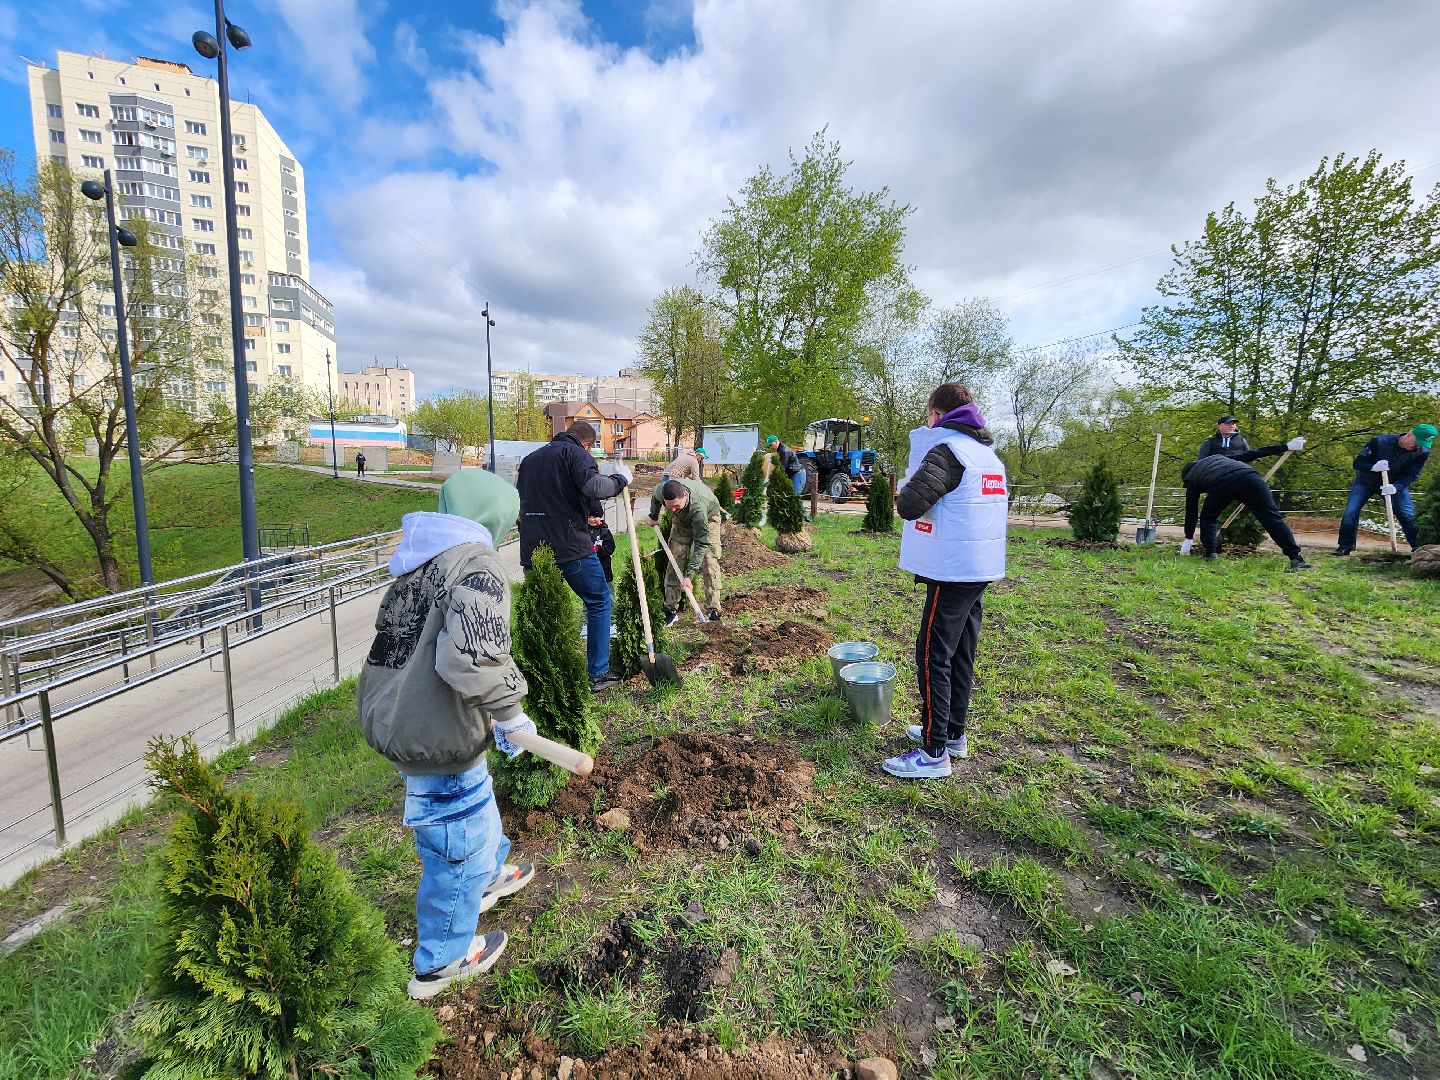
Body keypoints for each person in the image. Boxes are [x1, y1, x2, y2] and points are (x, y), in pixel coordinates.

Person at [358, 469, 537, 1000]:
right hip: (436, 731)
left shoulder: (423, 560)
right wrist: (510, 713)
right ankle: (442, 960)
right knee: (455, 839)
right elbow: (471, 657)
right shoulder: (478, 565)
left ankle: (487, 874)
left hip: (402, 715)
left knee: (475, 800)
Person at [881, 384, 1007, 781]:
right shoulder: (987, 454)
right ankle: (953, 733)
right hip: (980, 567)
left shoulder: (947, 451)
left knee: (932, 654)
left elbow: (909, 505)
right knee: (960, 652)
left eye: (928, 416)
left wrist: (906, 481)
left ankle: (933, 752)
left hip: (952, 570)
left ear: (937, 415)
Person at [516, 420, 631, 691]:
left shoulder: (530, 460)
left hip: (532, 549)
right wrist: (621, 479)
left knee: (543, 612)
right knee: (599, 600)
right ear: (587, 443)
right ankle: (598, 673)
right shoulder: (576, 454)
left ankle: (542, 677)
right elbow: (596, 487)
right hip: (570, 548)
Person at [1179, 436, 1311, 568]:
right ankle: (1296, 558)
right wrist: (1286, 446)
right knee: (1272, 518)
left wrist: (1188, 538)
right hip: (1251, 477)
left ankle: (1210, 554)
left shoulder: (1191, 477)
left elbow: (1191, 511)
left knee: (1208, 518)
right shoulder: (1219, 458)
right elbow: (1251, 454)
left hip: (1223, 482)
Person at [1333, 423, 1435, 555]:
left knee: (1407, 515)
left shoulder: (1422, 452)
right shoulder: (1380, 441)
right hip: (1365, 482)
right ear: (1409, 435)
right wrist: (1373, 467)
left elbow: (1412, 474)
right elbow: (1358, 463)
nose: (1418, 447)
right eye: (1417, 443)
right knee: (1351, 511)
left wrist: (1396, 487)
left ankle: (1419, 549)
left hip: (1393, 485)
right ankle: (1345, 546)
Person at [647, 477, 724, 624]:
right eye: (669, 507)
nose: (672, 510)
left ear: (685, 496)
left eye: (676, 505)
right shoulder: (661, 491)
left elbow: (701, 544)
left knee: (709, 561)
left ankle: (713, 611)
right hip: (682, 521)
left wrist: (689, 576)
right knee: (674, 559)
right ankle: (670, 609)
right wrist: (654, 516)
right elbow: (655, 498)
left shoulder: (698, 507)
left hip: (709, 518)